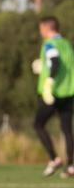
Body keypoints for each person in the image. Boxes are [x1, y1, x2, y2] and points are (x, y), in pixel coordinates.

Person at [32, 16, 74, 177]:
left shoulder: (50, 44)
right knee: (66, 129)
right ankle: (71, 165)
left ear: (46, 28)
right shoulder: (67, 44)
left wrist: (48, 82)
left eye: (41, 28)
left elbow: (55, 63)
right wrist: (43, 66)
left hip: (53, 92)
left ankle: (54, 158)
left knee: (38, 124)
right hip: (69, 92)